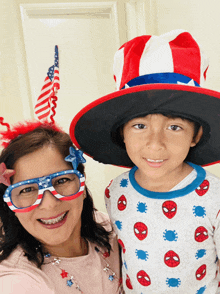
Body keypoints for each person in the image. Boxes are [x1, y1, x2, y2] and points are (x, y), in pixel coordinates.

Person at [69, 30, 220, 293]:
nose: (155, 143)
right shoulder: (115, 192)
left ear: (195, 135)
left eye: (174, 127)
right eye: (139, 125)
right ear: (122, 134)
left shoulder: (214, 198)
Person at [0, 120, 124, 294]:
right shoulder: (17, 281)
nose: (50, 204)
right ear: (11, 203)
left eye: (62, 181)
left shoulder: (112, 229)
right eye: (27, 189)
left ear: (82, 186)